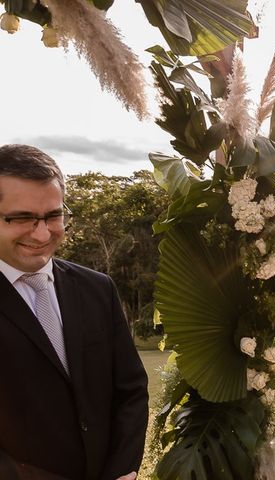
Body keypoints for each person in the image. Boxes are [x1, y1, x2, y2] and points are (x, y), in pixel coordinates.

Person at [0, 145, 148, 480]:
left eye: (53, 215)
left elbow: (131, 390)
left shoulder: (98, 289)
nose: (42, 234)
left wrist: (123, 469)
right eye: (21, 217)